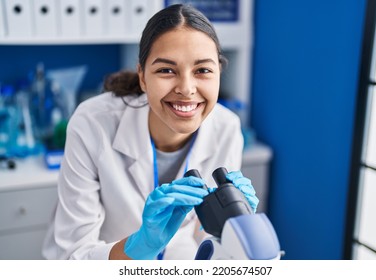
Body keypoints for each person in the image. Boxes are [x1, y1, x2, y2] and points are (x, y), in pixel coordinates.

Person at [42, 4, 259, 260]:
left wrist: (233, 230)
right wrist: (140, 246)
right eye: (166, 70)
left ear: (219, 74)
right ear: (143, 77)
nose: (187, 88)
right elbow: (72, 256)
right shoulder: (93, 123)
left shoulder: (226, 128)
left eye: (202, 70)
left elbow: (206, 236)